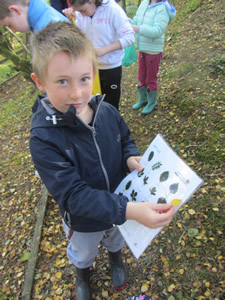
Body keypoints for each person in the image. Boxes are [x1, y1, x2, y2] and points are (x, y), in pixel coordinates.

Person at [29, 21, 174, 300]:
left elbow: (124, 137)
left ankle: (115, 258)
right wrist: (129, 210)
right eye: (62, 81)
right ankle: (83, 273)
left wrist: (130, 156)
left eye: (84, 78)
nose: (77, 93)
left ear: (93, 73)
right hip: (82, 222)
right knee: (83, 251)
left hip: (120, 204)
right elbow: (73, 196)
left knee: (115, 238)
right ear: (40, 82)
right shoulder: (43, 138)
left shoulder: (105, 110)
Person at [63, 0, 135, 110]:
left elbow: (129, 37)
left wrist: (104, 50)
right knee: (93, 103)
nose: (81, 15)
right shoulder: (80, 14)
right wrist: (71, 21)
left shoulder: (112, 10)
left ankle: (112, 125)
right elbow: (79, 36)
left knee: (110, 104)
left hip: (111, 67)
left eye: (83, 10)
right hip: (90, 67)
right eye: (78, 11)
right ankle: (97, 126)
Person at [131, 0, 176, 114]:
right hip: (142, 47)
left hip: (153, 50)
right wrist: (127, 22)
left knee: (150, 78)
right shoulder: (144, 3)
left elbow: (158, 31)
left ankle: (152, 101)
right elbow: (137, 19)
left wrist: (136, 28)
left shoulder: (162, 8)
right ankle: (143, 98)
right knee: (141, 76)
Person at [0, 0, 68, 33]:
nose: (13, 31)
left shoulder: (48, 30)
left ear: (15, 10)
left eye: (9, 25)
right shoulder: (44, 16)